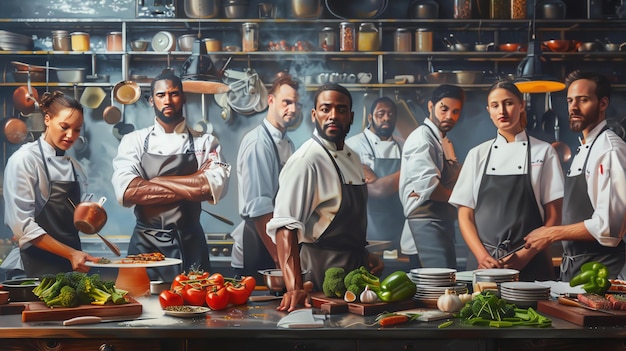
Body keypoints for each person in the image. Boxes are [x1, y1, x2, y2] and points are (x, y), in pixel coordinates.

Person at [267, 83, 384, 312]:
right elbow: (285, 227)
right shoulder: (306, 160)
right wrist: (294, 288)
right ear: (314, 115)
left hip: (356, 273)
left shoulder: (352, 157)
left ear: (350, 117)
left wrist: (364, 256)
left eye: (341, 110)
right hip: (320, 276)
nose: (333, 116)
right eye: (325, 109)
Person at [111, 72, 230, 282]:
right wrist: (193, 180)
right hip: (144, 246)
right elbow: (129, 192)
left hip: (190, 244)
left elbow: (208, 188)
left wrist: (157, 182)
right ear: (151, 100)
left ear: (183, 98)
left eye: (174, 94)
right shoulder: (133, 141)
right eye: (160, 94)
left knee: (196, 308)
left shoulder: (206, 142)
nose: (167, 100)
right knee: (142, 306)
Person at [449, 80, 564, 281]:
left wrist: (524, 256)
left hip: (532, 262)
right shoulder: (477, 154)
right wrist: (482, 256)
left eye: (508, 103)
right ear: (489, 111)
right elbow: (465, 214)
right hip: (484, 265)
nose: (502, 110)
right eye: (495, 105)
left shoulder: (544, 152)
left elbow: (554, 217)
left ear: (521, 105)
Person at [524, 71, 626, 281]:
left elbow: (610, 229)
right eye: (570, 100)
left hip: (605, 274)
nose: (574, 107)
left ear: (603, 103)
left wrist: (551, 233)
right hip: (576, 269)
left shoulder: (610, 150)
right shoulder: (585, 148)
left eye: (583, 100)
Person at [4, 91, 97, 277]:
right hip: (35, 267)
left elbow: (78, 218)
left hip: (72, 267)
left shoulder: (75, 167)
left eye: (77, 129)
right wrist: (71, 254)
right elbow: (23, 227)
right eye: (64, 126)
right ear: (47, 119)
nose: (71, 135)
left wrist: (92, 216)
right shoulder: (24, 160)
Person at [231, 74, 301, 280]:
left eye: (297, 103)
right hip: (260, 243)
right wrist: (280, 258)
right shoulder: (258, 143)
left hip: (278, 239)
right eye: (287, 102)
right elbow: (260, 209)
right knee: (259, 311)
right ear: (271, 100)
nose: (293, 109)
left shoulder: (287, 143)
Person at [399, 84, 465, 269]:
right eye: (444, 109)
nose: (449, 116)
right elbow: (431, 189)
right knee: (436, 292)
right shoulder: (422, 138)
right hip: (425, 225)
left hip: (441, 222)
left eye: (455, 111)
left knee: (445, 289)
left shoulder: (444, 140)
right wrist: (463, 200)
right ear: (431, 106)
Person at [345, 97, 404, 252]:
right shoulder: (353, 145)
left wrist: (379, 179)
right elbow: (376, 190)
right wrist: (408, 171)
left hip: (399, 223)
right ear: (370, 117)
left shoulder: (404, 145)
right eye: (381, 114)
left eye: (391, 114)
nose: (386, 118)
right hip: (368, 223)